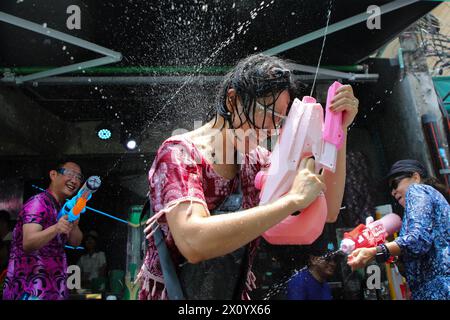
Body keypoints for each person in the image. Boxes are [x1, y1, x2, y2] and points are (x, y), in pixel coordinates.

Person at [137, 54, 359, 300]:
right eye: (270, 113)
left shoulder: (256, 160)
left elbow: (327, 209)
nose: (274, 128)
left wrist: (339, 130)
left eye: (282, 119)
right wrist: (292, 200)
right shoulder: (180, 153)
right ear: (233, 100)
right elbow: (194, 242)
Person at [347, 159, 450, 300]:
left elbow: (418, 240)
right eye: (391, 189)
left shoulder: (417, 189)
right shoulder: (430, 205)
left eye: (395, 184)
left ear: (415, 177)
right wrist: (392, 253)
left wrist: (374, 251)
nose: (393, 192)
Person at [2, 161, 84, 300]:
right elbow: (28, 243)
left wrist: (74, 225)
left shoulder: (64, 207)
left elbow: (75, 243)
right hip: (30, 288)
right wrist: (56, 228)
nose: (74, 180)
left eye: (79, 177)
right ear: (53, 175)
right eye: (70, 174)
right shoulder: (38, 202)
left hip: (54, 287)